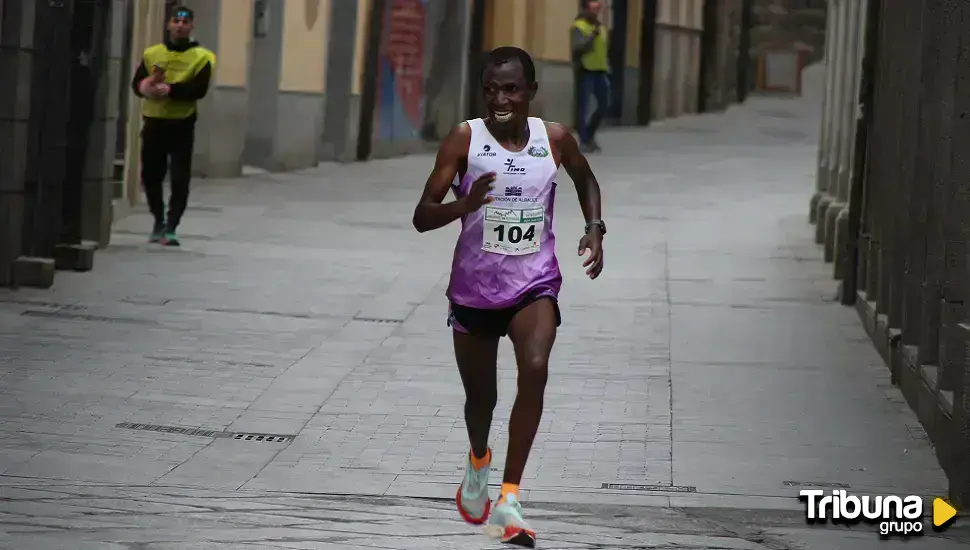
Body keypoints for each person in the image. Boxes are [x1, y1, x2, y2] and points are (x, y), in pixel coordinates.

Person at [412, 46, 606, 547]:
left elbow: (585, 179)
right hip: (475, 289)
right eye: (493, 89)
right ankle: (479, 459)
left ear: (530, 93)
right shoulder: (465, 139)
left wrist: (594, 228)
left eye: (512, 89)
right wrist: (465, 204)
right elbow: (421, 215)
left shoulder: (554, 138)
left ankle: (509, 498)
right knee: (483, 401)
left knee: (536, 365)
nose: (502, 99)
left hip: (534, 283)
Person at [130, 5, 215, 246]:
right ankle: (157, 219)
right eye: (176, 21)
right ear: (168, 24)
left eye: (185, 22)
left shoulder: (202, 57)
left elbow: (199, 89)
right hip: (154, 122)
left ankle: (172, 226)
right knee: (150, 175)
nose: (180, 25)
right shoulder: (152, 54)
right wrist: (148, 86)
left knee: (179, 177)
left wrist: (171, 90)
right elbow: (136, 86)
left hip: (182, 124)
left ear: (191, 26)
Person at [571, 0, 610, 153]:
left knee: (604, 105)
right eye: (593, 5)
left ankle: (590, 134)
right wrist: (592, 37)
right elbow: (577, 47)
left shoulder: (601, 27)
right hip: (585, 70)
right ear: (585, 8)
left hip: (600, 70)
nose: (597, 8)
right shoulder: (578, 27)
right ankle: (584, 139)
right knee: (583, 107)